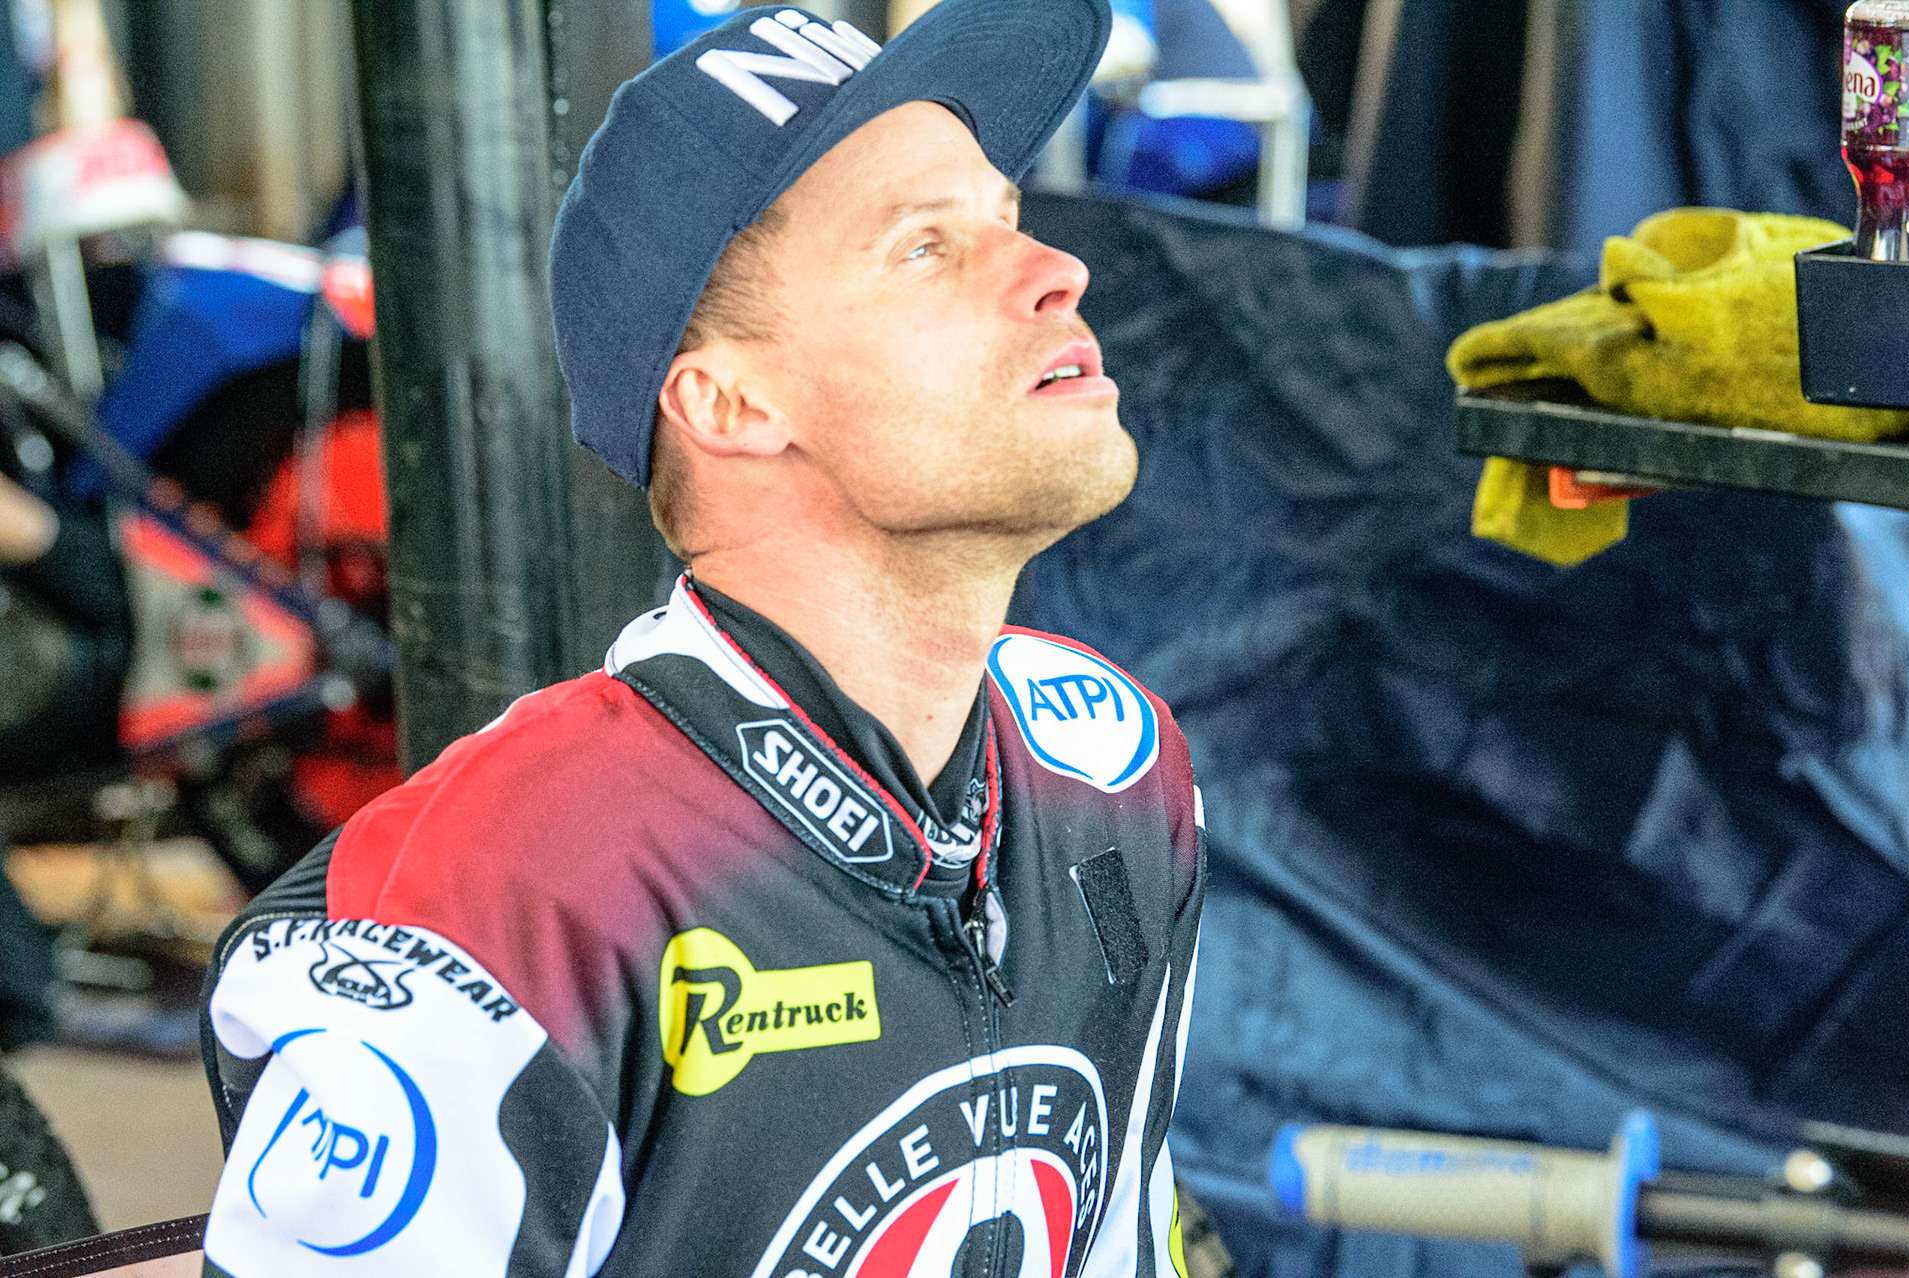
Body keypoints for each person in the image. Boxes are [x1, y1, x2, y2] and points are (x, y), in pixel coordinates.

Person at [196, 2, 1206, 1275]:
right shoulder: (509, 894)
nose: (1056, 268)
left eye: (1006, 216)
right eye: (926, 247)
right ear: (729, 403)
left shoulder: (1111, 767)